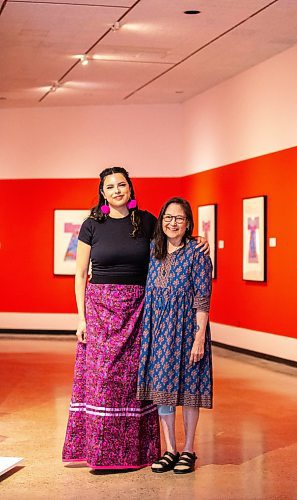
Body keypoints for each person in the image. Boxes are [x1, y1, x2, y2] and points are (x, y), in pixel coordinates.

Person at [62, 168, 209, 470]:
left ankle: (139, 451)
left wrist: (200, 240)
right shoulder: (92, 225)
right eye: (110, 187)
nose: (117, 191)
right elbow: (79, 275)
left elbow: (174, 240)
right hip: (100, 311)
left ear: (130, 188)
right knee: (102, 381)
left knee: (135, 382)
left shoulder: (146, 222)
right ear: (102, 192)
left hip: (139, 310)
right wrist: (81, 318)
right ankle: (101, 451)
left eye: (122, 185)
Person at [137, 197, 213, 475]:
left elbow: (203, 298)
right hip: (158, 331)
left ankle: (189, 450)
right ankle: (170, 449)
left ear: (188, 223)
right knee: (163, 393)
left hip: (187, 330)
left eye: (179, 218)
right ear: (161, 221)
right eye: (168, 217)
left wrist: (199, 337)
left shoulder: (197, 252)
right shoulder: (153, 251)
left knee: (190, 391)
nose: (173, 223)